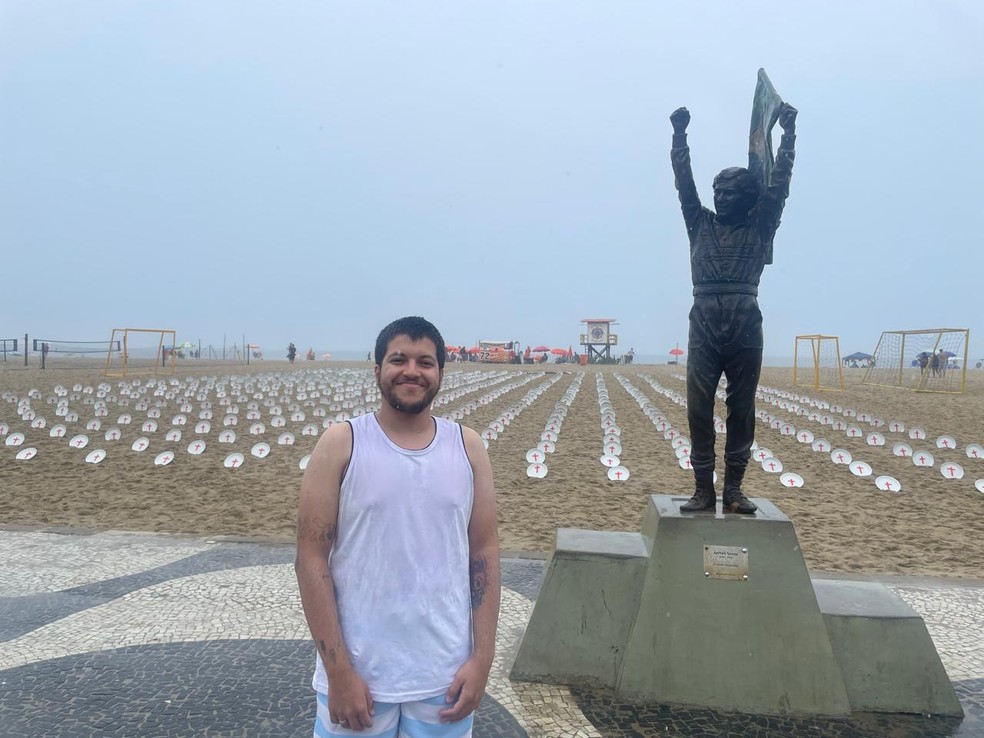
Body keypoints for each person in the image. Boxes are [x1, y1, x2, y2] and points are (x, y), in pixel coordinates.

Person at [295, 316, 500, 737]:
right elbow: (310, 558)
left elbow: (484, 552)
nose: (412, 371)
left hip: (445, 675)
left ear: (441, 373)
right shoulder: (341, 443)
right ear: (377, 371)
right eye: (398, 359)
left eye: (425, 361)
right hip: (360, 674)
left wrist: (482, 660)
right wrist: (339, 672)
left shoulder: (468, 446)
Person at [670, 102, 797, 514]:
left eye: (729, 193)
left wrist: (788, 137)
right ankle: (703, 488)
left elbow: (779, 186)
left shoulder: (761, 225)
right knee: (698, 408)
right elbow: (683, 184)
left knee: (742, 409)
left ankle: (735, 489)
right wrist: (679, 137)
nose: (720, 198)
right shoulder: (699, 223)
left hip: (745, 323)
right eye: (717, 192)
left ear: (747, 198)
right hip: (704, 323)